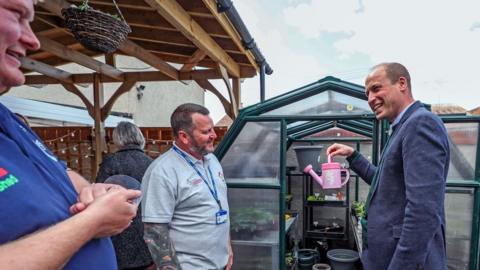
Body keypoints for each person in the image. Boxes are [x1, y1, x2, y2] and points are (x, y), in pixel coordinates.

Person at [0, 1, 141, 269]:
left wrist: (92, 190)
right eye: (17, 16)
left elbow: (59, 173)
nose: (33, 40)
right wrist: (92, 221)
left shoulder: (8, 118)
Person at [327, 63, 450, 270]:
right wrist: (353, 155)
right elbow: (384, 182)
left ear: (402, 83)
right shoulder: (401, 128)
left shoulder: (420, 124)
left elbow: (423, 212)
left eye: (376, 88)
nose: (370, 99)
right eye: (367, 94)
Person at [142, 103, 233, 270]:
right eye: (206, 132)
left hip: (220, 264)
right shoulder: (163, 171)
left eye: (212, 129)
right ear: (184, 136)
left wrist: (227, 248)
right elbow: (155, 232)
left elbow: (220, 208)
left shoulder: (212, 160)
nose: (214, 135)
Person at [97, 121, 154, 270]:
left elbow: (100, 195)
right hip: (147, 231)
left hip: (120, 231)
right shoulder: (151, 163)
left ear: (118, 138)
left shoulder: (111, 161)